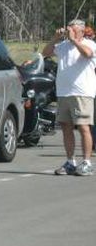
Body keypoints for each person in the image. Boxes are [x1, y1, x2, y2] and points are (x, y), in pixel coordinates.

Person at [43, 19, 96, 176]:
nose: (69, 32)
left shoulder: (90, 44)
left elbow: (87, 54)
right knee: (66, 127)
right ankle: (70, 161)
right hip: (64, 93)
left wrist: (74, 41)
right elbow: (45, 53)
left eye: (72, 29)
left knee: (83, 127)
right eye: (68, 29)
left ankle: (86, 162)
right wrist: (55, 38)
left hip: (82, 93)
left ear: (80, 30)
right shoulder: (63, 46)